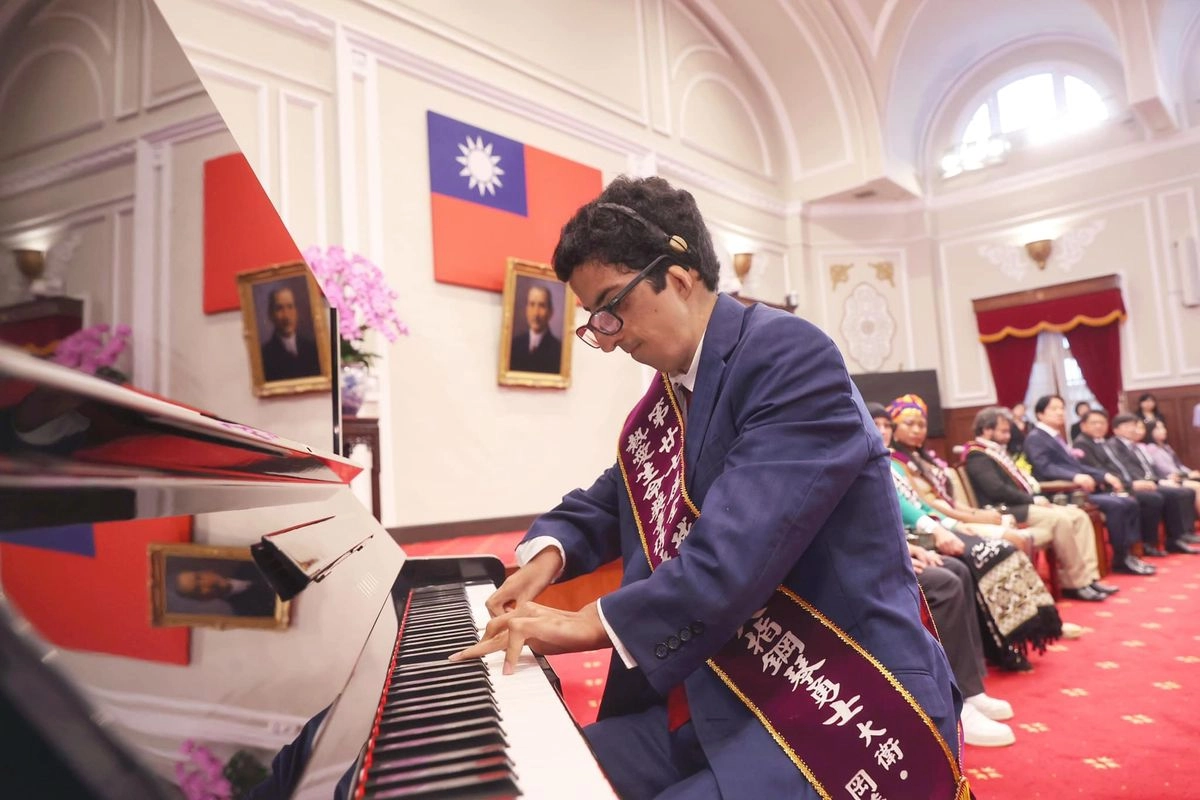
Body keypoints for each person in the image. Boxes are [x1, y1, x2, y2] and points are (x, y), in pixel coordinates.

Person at [450, 177, 966, 799]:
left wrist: (587, 622)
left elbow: (734, 554)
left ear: (680, 273)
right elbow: (619, 494)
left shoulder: (790, 358)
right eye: (595, 320)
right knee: (531, 781)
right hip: (713, 684)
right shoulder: (673, 392)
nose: (608, 335)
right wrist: (547, 555)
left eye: (612, 306)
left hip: (832, 690)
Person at [868, 403, 1016, 747]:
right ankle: (956, 701)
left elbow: (916, 508)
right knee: (945, 581)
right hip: (869, 559)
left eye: (884, 425)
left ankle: (972, 687)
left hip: (907, 542)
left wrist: (913, 543)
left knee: (957, 571)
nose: (881, 431)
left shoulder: (891, 463)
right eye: (876, 424)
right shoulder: (861, 458)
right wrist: (907, 547)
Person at [885, 395, 1062, 671]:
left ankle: (1026, 627)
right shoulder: (894, 462)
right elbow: (919, 507)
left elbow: (928, 504)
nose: (917, 429)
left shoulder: (914, 460)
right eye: (908, 424)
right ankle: (1003, 640)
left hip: (938, 524)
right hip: (921, 533)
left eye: (921, 424)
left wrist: (957, 522)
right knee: (990, 551)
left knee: (1001, 547)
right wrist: (952, 524)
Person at [964, 407, 1115, 602]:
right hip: (1003, 510)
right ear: (986, 430)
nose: (1008, 436)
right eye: (1003, 431)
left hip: (1020, 504)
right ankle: (1075, 583)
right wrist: (1033, 499)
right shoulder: (978, 455)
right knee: (1059, 519)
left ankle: (1089, 578)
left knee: (1079, 516)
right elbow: (997, 490)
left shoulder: (996, 452)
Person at [1023, 395, 1154, 576]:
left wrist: (1104, 475)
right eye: (1054, 409)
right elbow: (1045, 467)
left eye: (1061, 408)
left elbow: (1076, 465)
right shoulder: (1036, 437)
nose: (1060, 412)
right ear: (1039, 414)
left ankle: (1128, 554)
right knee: (1117, 504)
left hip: (1076, 487)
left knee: (1129, 502)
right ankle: (1121, 558)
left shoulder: (1054, 436)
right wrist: (1075, 476)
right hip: (1061, 493)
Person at [1141, 419, 1200, 532]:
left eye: (1163, 427)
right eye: (1158, 428)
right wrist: (1187, 475)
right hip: (1167, 478)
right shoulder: (1151, 448)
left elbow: (1179, 465)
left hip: (1179, 476)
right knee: (1197, 487)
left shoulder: (1166, 447)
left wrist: (1190, 472)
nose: (1163, 431)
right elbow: (1165, 470)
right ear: (1150, 431)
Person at [172, 561, 279, 617]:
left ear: (207, 571)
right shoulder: (246, 612)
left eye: (199, 577)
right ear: (202, 599)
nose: (206, 584)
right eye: (198, 589)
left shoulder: (250, 562)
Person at [260, 286, 320, 381]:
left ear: (296, 311)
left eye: (290, 307)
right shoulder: (264, 357)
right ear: (271, 314)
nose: (286, 315)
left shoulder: (313, 349)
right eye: (279, 308)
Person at [509, 283, 563, 373]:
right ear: (526, 310)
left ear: (550, 312)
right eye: (532, 304)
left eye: (542, 306)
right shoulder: (514, 345)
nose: (536, 313)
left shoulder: (559, 350)